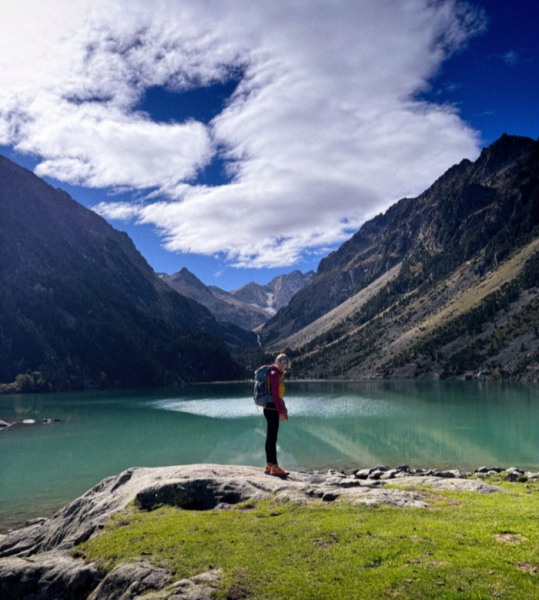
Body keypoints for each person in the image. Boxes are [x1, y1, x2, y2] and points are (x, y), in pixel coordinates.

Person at [263, 353, 290, 477]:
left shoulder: (275, 373)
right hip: (272, 409)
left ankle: (268, 465)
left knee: (270, 437)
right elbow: (275, 396)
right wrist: (281, 412)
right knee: (272, 438)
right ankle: (275, 467)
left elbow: (278, 396)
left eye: (285, 362)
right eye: (281, 361)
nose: (283, 364)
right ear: (276, 361)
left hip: (269, 408)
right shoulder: (274, 374)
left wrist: (284, 409)